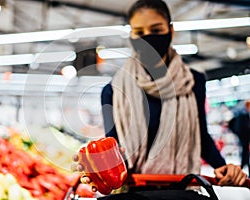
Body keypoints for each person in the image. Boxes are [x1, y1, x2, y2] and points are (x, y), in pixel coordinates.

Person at [74, 0, 247, 191]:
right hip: (134, 192)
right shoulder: (113, 91)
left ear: (170, 30)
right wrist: (98, 167)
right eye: (139, 32)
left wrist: (223, 167)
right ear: (131, 35)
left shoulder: (193, 81)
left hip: (182, 189)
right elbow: (114, 148)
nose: (148, 38)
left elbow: (200, 137)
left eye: (156, 30)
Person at [228, 100, 250, 175]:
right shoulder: (242, 116)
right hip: (244, 137)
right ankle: (243, 166)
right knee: (245, 152)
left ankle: (243, 166)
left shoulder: (241, 115)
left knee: (245, 152)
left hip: (244, 137)